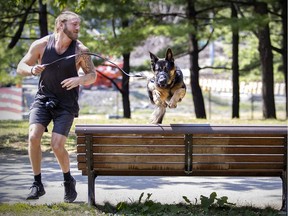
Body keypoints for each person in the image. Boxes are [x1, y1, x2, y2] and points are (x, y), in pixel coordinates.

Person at [17, 10, 96, 203]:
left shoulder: (80, 50)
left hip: (66, 104)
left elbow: (92, 75)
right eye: (74, 24)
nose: (78, 28)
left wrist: (79, 80)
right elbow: (21, 66)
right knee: (33, 137)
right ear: (61, 25)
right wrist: (31, 69)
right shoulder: (42, 45)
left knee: (57, 144)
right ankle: (37, 184)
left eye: (79, 25)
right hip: (43, 99)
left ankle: (68, 180)